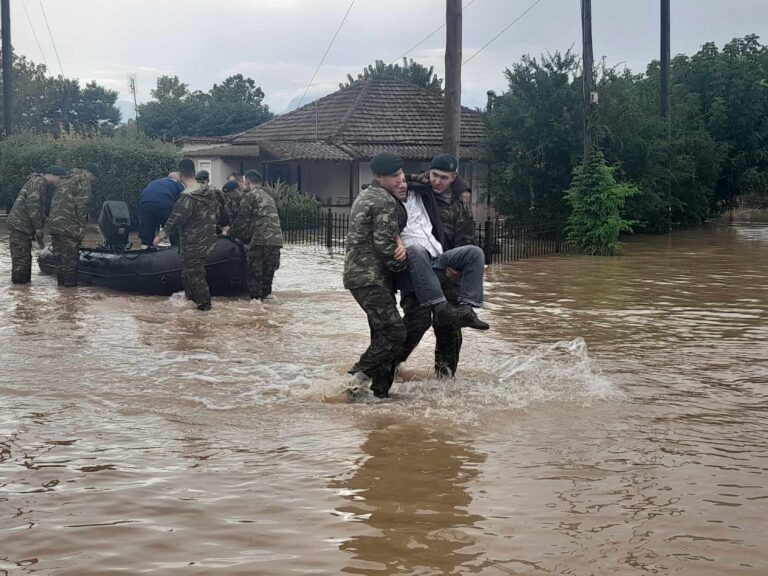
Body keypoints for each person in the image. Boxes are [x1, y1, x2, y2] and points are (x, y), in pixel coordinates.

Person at [400, 153, 477, 377]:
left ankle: (445, 378)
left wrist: (458, 267)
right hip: (418, 270)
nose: (438, 181)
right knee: (417, 321)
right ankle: (389, 366)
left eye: (444, 177)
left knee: (450, 327)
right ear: (429, 172)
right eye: (434, 175)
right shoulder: (416, 190)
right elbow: (386, 181)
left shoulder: (459, 206)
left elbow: (466, 240)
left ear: (454, 178)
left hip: (448, 272)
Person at [343, 152, 409, 399]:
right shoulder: (383, 201)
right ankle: (354, 378)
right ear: (380, 177)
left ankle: (379, 394)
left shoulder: (367, 194)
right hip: (370, 277)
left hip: (361, 275)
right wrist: (405, 261)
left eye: (401, 175)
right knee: (395, 332)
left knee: (382, 333)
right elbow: (384, 246)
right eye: (394, 177)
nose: (400, 181)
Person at [153, 159, 219, 311]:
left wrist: (160, 237)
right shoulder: (210, 193)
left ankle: (205, 309)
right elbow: (218, 213)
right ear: (194, 173)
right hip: (208, 241)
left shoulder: (187, 197)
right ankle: (192, 303)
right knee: (188, 274)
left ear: (181, 175)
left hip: (192, 244)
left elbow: (174, 219)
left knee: (196, 277)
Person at [225, 169, 283, 301]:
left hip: (260, 242)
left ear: (248, 182)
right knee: (266, 287)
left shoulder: (249, 196)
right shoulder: (268, 197)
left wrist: (228, 232)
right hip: (276, 242)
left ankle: (255, 316)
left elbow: (241, 222)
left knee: (254, 284)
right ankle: (267, 315)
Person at [7, 166, 67, 284]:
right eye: (60, 178)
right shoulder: (38, 183)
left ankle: (22, 290)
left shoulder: (39, 182)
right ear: (53, 175)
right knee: (21, 259)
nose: (59, 182)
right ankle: (20, 289)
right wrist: (39, 228)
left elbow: (38, 209)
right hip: (19, 225)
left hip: (22, 225)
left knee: (24, 258)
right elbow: (33, 207)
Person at [48, 162, 101, 287]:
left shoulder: (66, 178)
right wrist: (82, 227)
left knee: (59, 256)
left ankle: (61, 287)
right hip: (68, 224)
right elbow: (82, 205)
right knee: (70, 258)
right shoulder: (83, 181)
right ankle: (70, 290)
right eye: (94, 178)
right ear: (89, 173)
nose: (93, 181)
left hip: (54, 223)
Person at [138, 172, 185, 248]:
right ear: (178, 179)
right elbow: (183, 201)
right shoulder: (177, 184)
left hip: (145, 204)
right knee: (172, 229)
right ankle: (176, 249)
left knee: (146, 229)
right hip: (164, 204)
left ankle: (144, 250)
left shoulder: (155, 182)